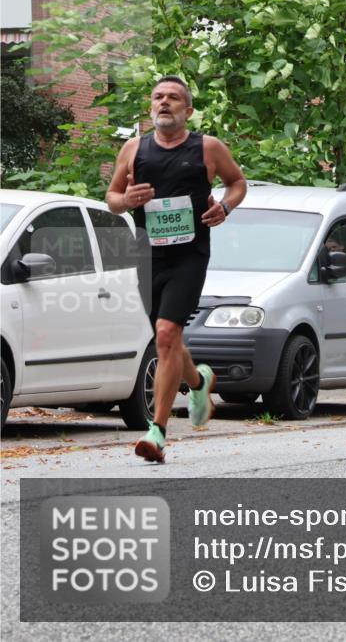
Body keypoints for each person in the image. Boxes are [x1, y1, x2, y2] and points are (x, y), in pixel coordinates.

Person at [106, 75, 246, 462]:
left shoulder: (209, 148)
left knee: (166, 334)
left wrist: (226, 207)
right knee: (166, 336)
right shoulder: (134, 149)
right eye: (158, 97)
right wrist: (126, 199)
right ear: (151, 108)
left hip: (190, 253)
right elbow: (113, 198)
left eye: (173, 98)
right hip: (147, 255)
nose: (164, 102)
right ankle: (199, 382)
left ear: (188, 110)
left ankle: (158, 432)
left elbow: (237, 183)